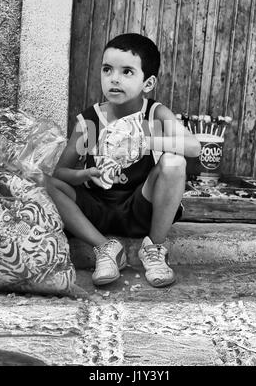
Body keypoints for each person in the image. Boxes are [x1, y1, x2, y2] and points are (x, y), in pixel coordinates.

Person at [45, 33, 201, 288]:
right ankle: (105, 249)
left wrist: (144, 141)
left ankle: (153, 248)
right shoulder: (91, 121)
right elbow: (60, 172)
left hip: (140, 208)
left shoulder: (154, 114)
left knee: (175, 162)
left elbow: (194, 148)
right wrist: (83, 175)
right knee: (43, 181)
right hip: (97, 208)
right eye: (107, 70)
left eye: (127, 72)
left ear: (147, 83)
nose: (114, 79)